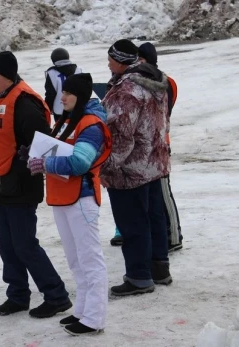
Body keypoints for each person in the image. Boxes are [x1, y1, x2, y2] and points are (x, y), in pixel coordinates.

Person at [0, 51, 72, 318]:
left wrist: (23, 166)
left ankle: (56, 295)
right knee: (7, 244)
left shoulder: (23, 104)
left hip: (20, 185)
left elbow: (43, 144)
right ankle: (18, 295)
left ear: (8, 76)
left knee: (24, 244)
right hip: (0, 184)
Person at [27, 73, 111, 335]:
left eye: (68, 93)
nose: (61, 97)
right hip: (63, 197)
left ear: (81, 96)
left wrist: (46, 164)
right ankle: (82, 311)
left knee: (90, 259)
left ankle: (94, 318)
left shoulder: (91, 125)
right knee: (75, 260)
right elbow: (54, 148)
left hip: (81, 199)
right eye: (63, 92)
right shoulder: (66, 121)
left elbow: (80, 163)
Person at [100, 39, 172, 296]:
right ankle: (159, 268)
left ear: (120, 61)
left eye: (110, 59)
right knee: (154, 216)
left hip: (130, 169)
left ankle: (139, 277)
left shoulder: (126, 90)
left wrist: (106, 168)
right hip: (154, 162)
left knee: (133, 223)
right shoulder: (156, 82)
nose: (108, 64)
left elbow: (121, 136)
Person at [110, 43, 183, 252]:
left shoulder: (159, 83)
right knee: (153, 203)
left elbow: (161, 114)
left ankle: (174, 237)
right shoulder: (155, 81)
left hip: (155, 145)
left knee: (162, 197)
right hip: (155, 144)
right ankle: (162, 245)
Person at [44, 48, 82, 122]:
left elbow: (50, 94)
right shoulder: (78, 70)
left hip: (59, 110)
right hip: (75, 108)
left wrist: (48, 108)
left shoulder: (51, 73)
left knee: (61, 132)